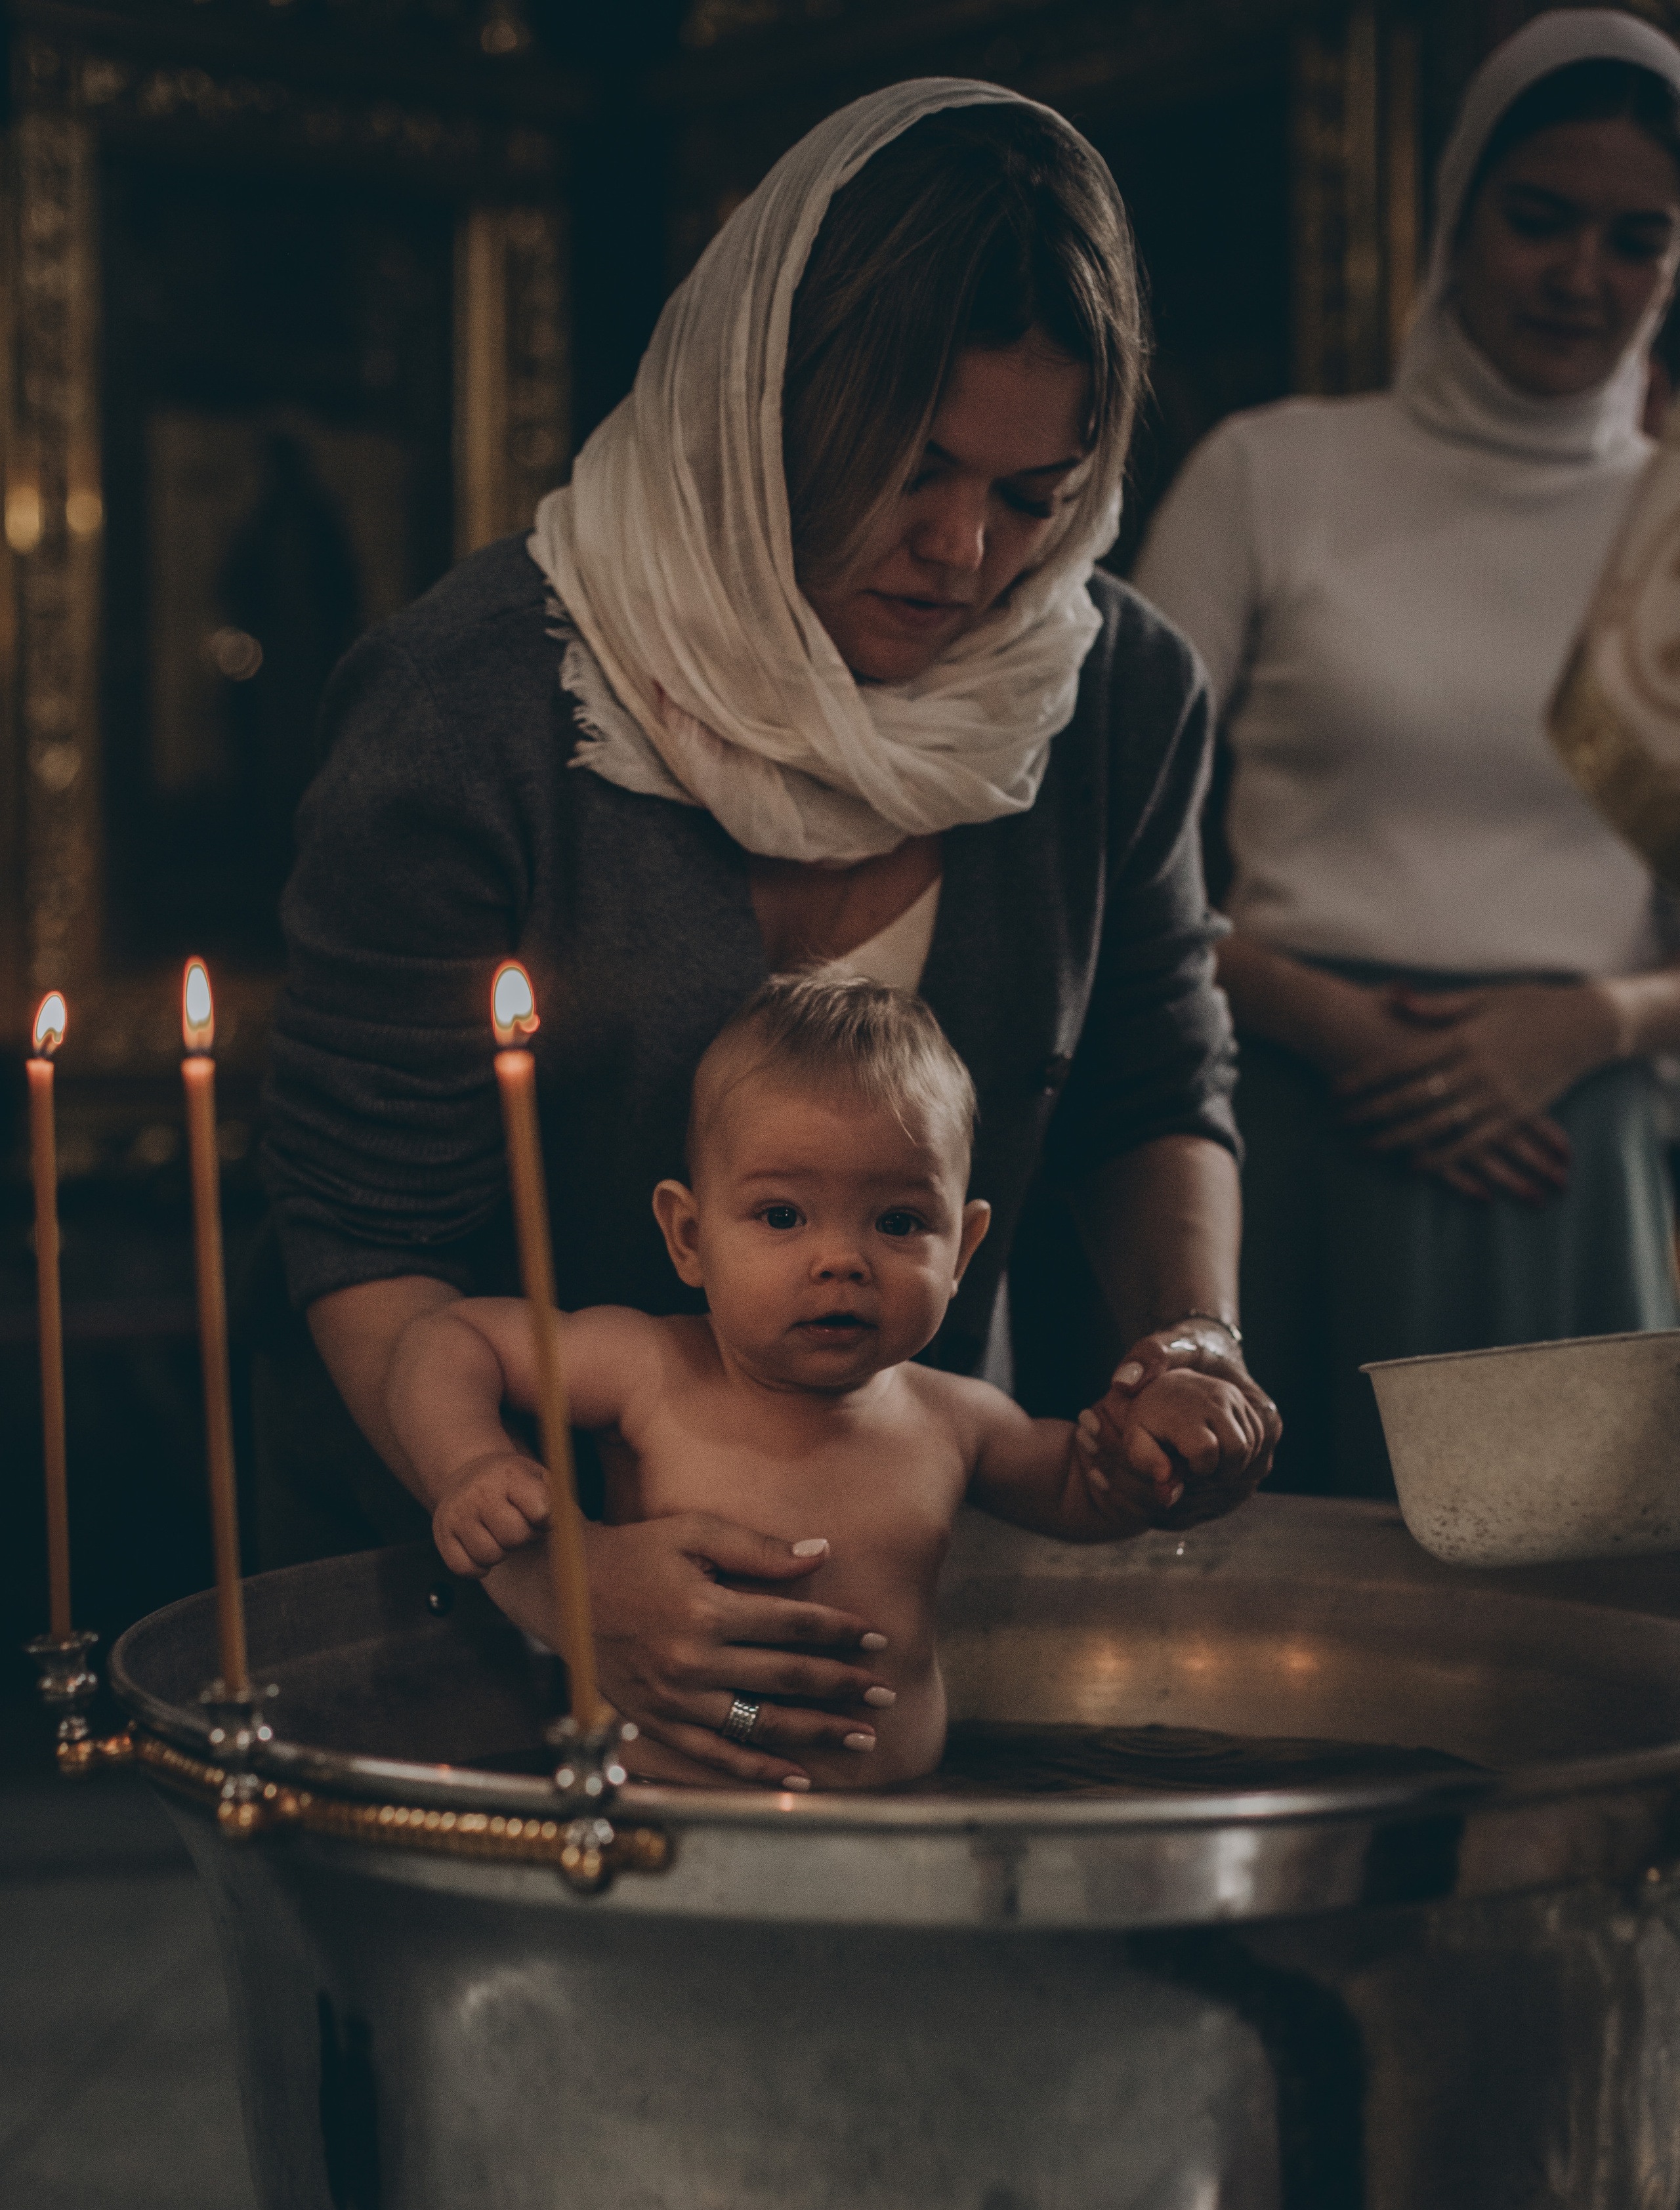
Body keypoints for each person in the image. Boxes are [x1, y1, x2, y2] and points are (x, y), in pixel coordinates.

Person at [259, 75, 1280, 1804]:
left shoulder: (1110, 693)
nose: (966, 554)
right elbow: (367, 1229)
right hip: (470, 1601)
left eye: (1038, 493)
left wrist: (1190, 1351)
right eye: (910, 469)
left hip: (888, 1605)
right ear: (762, 403)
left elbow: (1147, 1085)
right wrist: (555, 1576)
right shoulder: (473, 710)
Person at [1131, 10, 1680, 1499]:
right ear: (1456, 214)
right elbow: (1098, 828)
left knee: (1578, 1648)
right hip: (1283, 1111)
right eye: (1538, 217)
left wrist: (1588, 1025)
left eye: (1636, 237)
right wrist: (1318, 1016)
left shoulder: (1674, 525)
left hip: (1573, 1150)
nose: (1580, 274)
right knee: (1289, 1634)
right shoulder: (1275, 471)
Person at [386, 976, 1268, 1791]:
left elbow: (1091, 1488)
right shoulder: (645, 1368)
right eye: (781, 1215)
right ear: (689, 1237)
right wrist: (470, 1462)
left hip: (909, 1829)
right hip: (667, 1818)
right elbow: (446, 1338)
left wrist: (1161, 1436)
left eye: (897, 1221)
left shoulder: (959, 1419)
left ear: (962, 1250)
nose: (841, 1260)